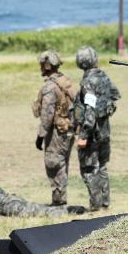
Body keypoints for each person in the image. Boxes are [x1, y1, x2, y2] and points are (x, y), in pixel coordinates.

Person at [72, 46, 121, 212]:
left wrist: (84, 135)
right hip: (105, 130)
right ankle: (105, 203)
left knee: (89, 169)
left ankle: (95, 206)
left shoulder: (88, 82)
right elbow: (115, 94)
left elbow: (90, 112)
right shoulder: (103, 76)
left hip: (92, 133)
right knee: (102, 167)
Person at [32, 50, 76, 206]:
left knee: (54, 164)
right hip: (68, 129)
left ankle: (59, 201)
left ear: (47, 65)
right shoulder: (65, 81)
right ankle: (60, 199)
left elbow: (47, 115)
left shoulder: (50, 87)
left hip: (57, 132)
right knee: (63, 164)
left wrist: (40, 136)